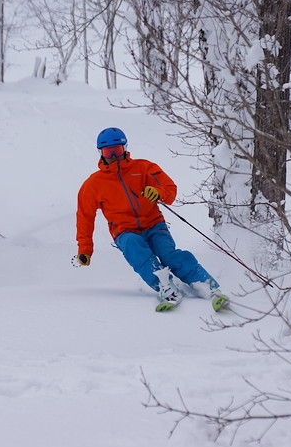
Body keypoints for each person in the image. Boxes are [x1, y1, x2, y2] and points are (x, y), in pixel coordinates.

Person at [75, 127, 229, 312]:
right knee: (136, 248)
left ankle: (209, 287)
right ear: (101, 153)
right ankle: (165, 287)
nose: (114, 156)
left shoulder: (144, 168)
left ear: (125, 149)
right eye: (109, 152)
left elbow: (169, 189)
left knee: (169, 255)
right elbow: (85, 217)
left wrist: (158, 192)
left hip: (154, 224)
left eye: (118, 150)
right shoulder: (93, 184)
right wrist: (85, 249)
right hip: (124, 231)